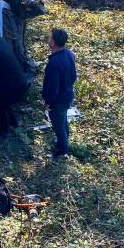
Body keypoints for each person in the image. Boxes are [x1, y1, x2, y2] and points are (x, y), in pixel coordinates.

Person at [42, 28, 77, 159]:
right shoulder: (69, 53)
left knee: (58, 127)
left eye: (49, 37)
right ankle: (63, 142)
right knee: (63, 122)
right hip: (67, 95)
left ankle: (62, 151)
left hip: (57, 101)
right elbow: (73, 76)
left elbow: (52, 88)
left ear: (53, 42)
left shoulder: (54, 63)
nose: (48, 39)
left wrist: (48, 102)